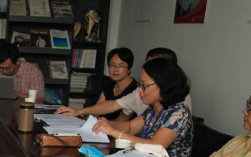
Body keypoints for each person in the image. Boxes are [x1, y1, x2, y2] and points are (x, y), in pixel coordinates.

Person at [91, 57, 193, 157]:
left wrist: (113, 131)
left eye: (144, 85)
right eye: (140, 85)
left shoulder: (179, 113)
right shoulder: (153, 109)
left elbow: (155, 146)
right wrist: (107, 123)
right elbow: (130, 127)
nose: (140, 90)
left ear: (164, 85)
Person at [55, 47, 192, 119]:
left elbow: (156, 143)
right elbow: (115, 107)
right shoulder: (147, 104)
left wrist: (111, 129)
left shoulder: (178, 106)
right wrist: (80, 112)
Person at [97, 48, 138, 121]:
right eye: (112, 65)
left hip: (116, 127)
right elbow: (96, 111)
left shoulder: (135, 89)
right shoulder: (109, 86)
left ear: (129, 69)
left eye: (121, 66)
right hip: (102, 125)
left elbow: (120, 122)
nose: (116, 69)